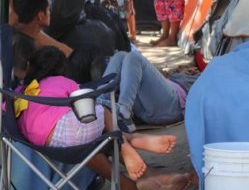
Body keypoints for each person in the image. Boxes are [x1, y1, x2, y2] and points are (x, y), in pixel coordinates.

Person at [15, 44, 192, 189]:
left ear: (30, 67)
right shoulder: (61, 81)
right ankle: (126, 141)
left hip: (48, 145)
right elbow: (82, 100)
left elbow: (5, 108)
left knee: (87, 139)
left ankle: (141, 180)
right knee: (100, 111)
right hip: (73, 136)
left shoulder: (20, 91)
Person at [99, 50, 196, 131]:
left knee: (135, 57)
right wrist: (179, 71)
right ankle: (99, 105)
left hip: (174, 105)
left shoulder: (202, 79)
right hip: (149, 102)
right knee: (120, 55)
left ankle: (123, 112)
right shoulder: (184, 73)